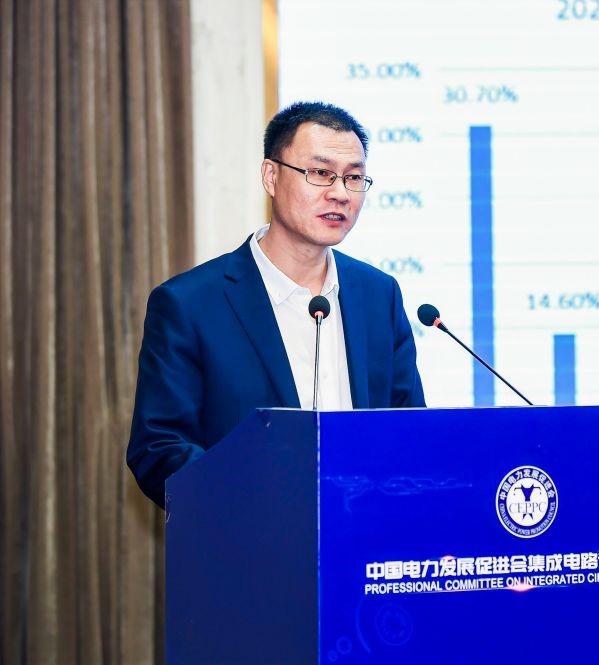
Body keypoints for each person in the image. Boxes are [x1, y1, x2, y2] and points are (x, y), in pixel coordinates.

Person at [126, 101, 425, 509]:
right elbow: (159, 448)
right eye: (320, 173)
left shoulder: (379, 295)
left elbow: (410, 430)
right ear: (271, 176)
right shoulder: (189, 305)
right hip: (248, 538)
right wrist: (264, 506)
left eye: (354, 178)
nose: (340, 193)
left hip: (364, 537)